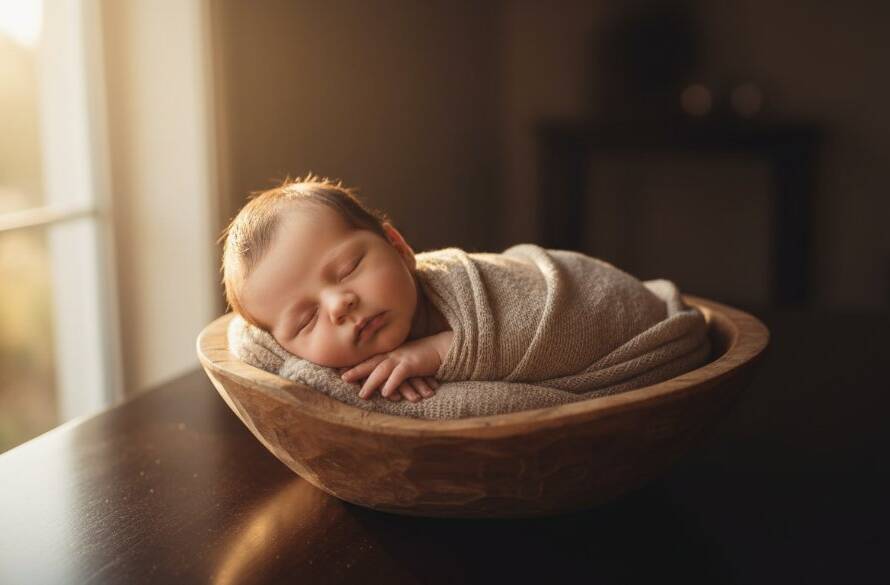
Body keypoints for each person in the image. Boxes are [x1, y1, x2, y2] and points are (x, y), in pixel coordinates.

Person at [221, 174, 453, 404]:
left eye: (348, 270)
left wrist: (438, 351)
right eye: (307, 319)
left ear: (398, 248)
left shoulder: (463, 286)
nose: (338, 305)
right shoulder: (318, 379)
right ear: (285, 348)